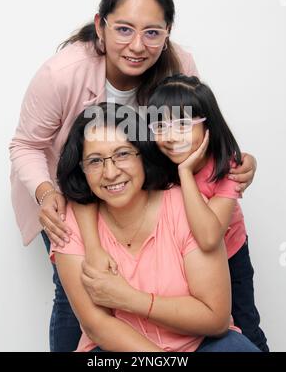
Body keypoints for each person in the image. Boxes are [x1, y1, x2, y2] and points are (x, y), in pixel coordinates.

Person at [9, 0, 257, 351]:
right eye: (124, 29)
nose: (138, 46)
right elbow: (26, 144)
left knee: (236, 324)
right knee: (79, 305)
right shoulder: (62, 75)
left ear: (168, 34)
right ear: (100, 26)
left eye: (153, 33)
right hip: (75, 200)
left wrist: (238, 162)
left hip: (183, 208)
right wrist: (46, 193)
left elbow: (204, 135)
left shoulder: (179, 67)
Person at [52, 102, 260, 352]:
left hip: (200, 345)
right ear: (82, 169)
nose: (110, 172)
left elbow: (215, 319)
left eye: (122, 154)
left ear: (144, 154)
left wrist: (128, 299)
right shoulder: (70, 225)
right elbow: (96, 324)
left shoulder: (185, 207)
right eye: (95, 161)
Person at [144, 74, 269, 351]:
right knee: (193, 330)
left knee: (245, 325)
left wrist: (185, 173)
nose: (172, 135)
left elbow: (208, 237)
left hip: (229, 256)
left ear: (208, 125)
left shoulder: (228, 167)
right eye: (161, 125)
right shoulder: (152, 164)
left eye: (184, 125)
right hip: (180, 262)